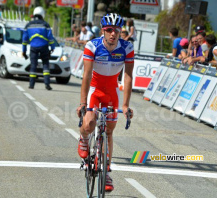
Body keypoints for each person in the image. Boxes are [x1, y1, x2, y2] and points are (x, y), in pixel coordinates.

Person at [76, 13, 134, 192]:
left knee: (109, 130)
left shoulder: (127, 47)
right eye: (109, 30)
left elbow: (128, 76)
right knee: (89, 123)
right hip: (95, 90)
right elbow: (86, 75)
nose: (113, 34)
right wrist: (83, 102)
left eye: (117, 30)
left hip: (112, 92)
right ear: (103, 30)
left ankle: (107, 172)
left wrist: (125, 105)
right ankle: (84, 138)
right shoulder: (92, 46)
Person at [22, 6, 55, 90]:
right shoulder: (45, 24)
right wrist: (52, 47)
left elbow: (24, 40)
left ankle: (31, 85)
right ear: (42, 14)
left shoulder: (28, 25)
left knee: (33, 65)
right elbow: (50, 38)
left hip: (33, 47)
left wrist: (24, 51)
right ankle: (47, 84)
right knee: (45, 65)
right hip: (44, 47)